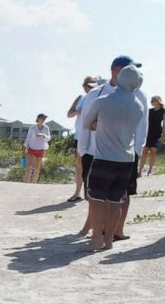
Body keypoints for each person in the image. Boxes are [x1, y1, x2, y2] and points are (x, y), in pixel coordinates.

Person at [78, 56, 149, 242]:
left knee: (101, 198)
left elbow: (86, 123)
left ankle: (105, 236)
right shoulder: (136, 103)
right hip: (114, 155)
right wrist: (83, 150)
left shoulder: (106, 98)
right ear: (117, 70)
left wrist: (138, 152)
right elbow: (138, 128)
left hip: (111, 155)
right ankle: (106, 236)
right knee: (113, 198)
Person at [66, 76, 99, 202]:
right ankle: (77, 193)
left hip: (95, 136)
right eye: (89, 86)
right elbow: (69, 114)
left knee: (93, 164)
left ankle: (92, 191)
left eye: (93, 86)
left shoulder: (98, 97)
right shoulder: (80, 98)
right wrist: (78, 111)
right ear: (84, 86)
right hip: (80, 135)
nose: (91, 88)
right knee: (79, 164)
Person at [23, 114, 51, 184]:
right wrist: (25, 147)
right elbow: (28, 138)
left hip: (41, 149)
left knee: (37, 167)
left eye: (44, 119)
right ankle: (26, 181)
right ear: (38, 119)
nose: (43, 120)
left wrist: (43, 136)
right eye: (42, 118)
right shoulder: (32, 128)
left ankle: (34, 182)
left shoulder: (46, 128)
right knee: (29, 165)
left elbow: (48, 138)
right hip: (32, 147)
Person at [140, 95, 163, 176]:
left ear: (158, 101)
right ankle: (140, 172)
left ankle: (149, 171)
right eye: (152, 101)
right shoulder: (149, 111)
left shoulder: (163, 111)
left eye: (154, 101)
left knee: (153, 151)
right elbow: (143, 122)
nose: (152, 102)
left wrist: (163, 135)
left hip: (157, 135)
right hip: (148, 134)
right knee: (144, 152)